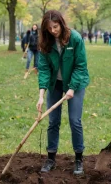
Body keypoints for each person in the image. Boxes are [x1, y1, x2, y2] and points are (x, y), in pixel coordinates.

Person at [36, 10, 90, 176]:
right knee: (53, 121)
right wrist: (41, 94)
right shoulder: (45, 42)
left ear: (61, 23)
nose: (53, 30)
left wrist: (72, 87)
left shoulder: (75, 38)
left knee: (75, 121)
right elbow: (44, 69)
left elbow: (81, 66)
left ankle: (79, 159)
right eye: (49, 28)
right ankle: (51, 158)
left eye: (55, 26)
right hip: (55, 84)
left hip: (76, 82)